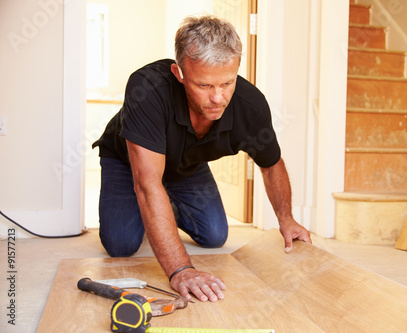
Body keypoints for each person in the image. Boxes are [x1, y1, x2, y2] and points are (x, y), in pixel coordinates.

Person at [92, 15, 311, 303]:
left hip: (186, 165)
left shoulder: (250, 106)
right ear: (179, 73)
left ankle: (161, 210)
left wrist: (287, 219)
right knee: (121, 244)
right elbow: (147, 183)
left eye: (227, 83)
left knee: (215, 235)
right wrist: (181, 269)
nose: (218, 98)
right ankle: (153, 210)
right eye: (205, 86)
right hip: (129, 163)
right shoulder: (147, 89)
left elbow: (271, 165)